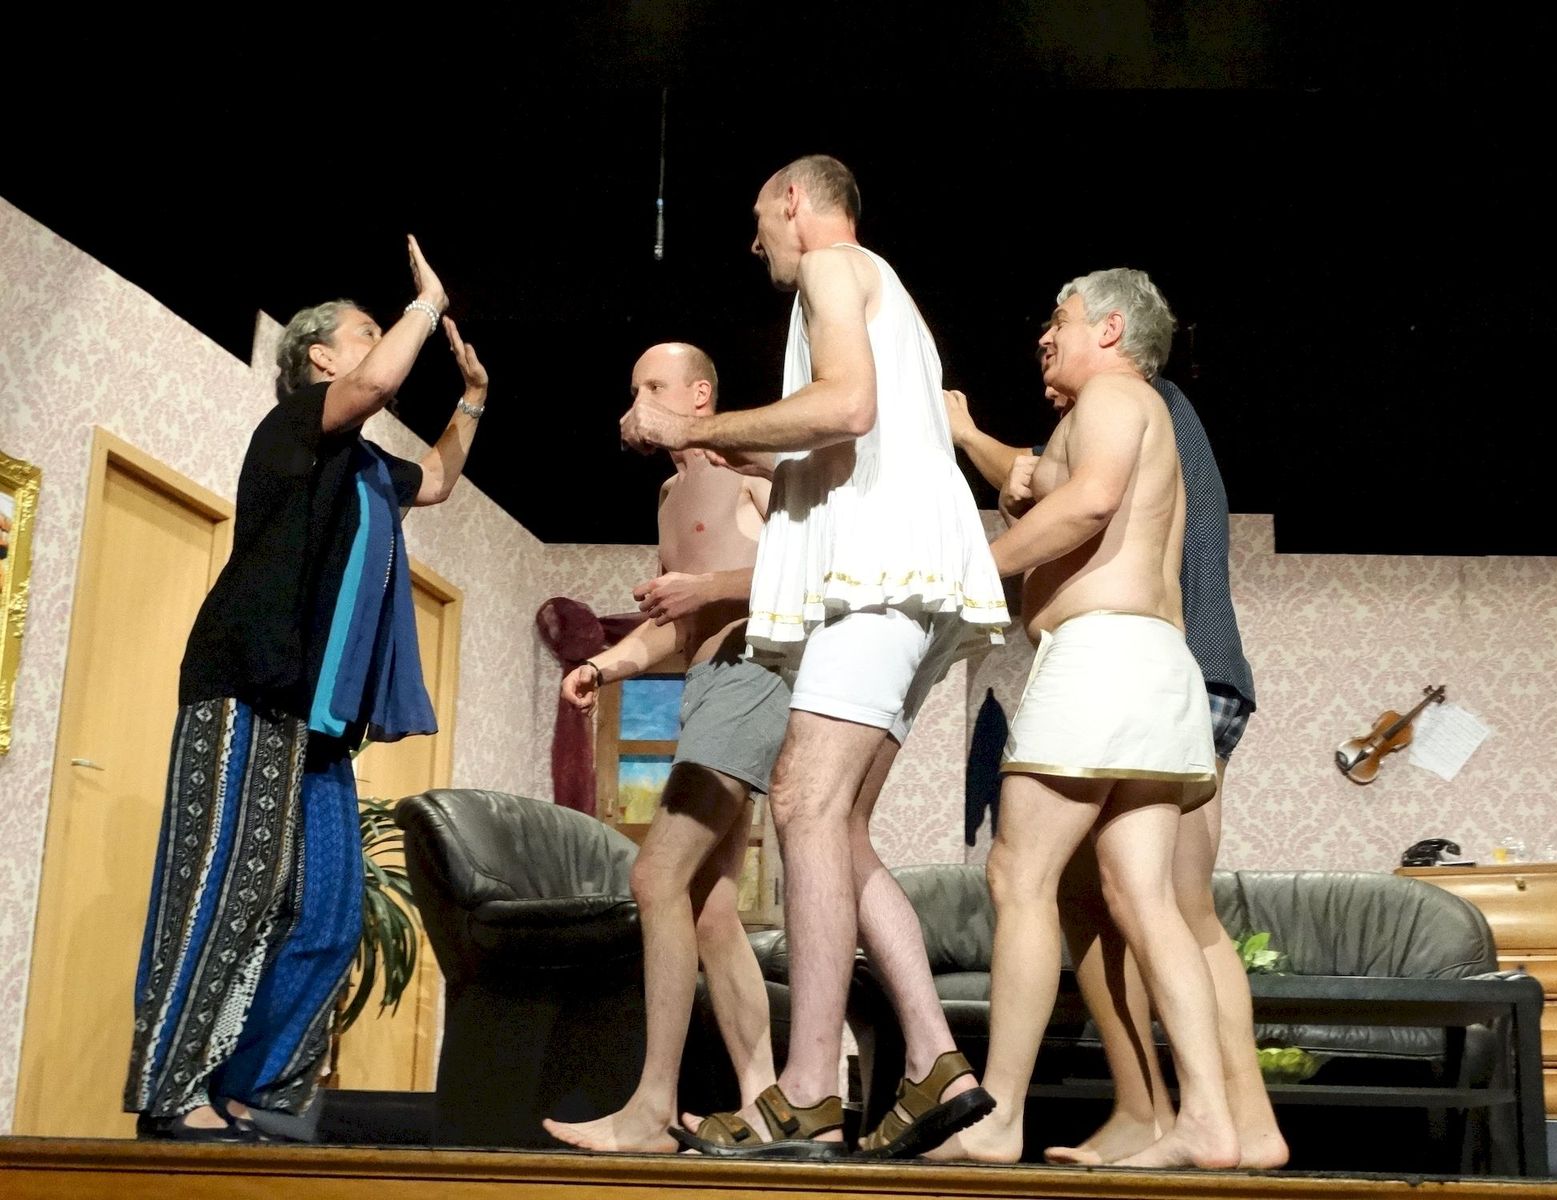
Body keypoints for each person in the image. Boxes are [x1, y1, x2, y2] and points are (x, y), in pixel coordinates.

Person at [620, 155, 1008, 1160]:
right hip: (914, 576)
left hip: (876, 575)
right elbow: (839, 444)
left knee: (799, 801)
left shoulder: (836, 268)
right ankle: (934, 1059)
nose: (755, 241)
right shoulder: (886, 297)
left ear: (795, 202)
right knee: (839, 828)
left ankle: (805, 1092)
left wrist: (694, 423)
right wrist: (731, 447)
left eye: (759, 216)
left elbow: (845, 408)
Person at [125, 237, 486, 1140]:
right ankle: (173, 1093)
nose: (381, 341)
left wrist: (473, 398)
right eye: (366, 331)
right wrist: (425, 304)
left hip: (319, 724)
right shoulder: (292, 427)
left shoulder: (365, 467)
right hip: (247, 689)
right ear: (321, 358)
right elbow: (374, 385)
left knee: (326, 913)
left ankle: (253, 1089)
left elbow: (440, 480)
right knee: (222, 892)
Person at [936, 268, 1239, 1170]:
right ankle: (1207, 1119)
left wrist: (974, 570)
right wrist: (978, 445)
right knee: (1144, 898)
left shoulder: (1112, 395)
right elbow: (1043, 480)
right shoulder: (1130, 410)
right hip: (1154, 663)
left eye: (1059, 319)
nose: (1044, 336)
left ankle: (999, 1116)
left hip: (1101, 657)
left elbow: (1089, 499)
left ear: (1109, 329)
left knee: (1018, 875)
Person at [542, 342, 782, 1153]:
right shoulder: (672, 494)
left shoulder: (752, 466)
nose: (637, 402)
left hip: (755, 672)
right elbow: (676, 625)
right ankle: (765, 1105)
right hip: (707, 682)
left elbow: (815, 575)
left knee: (656, 875)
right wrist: (603, 665)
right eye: (633, 387)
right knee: (711, 909)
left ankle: (651, 1109)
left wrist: (707, 587)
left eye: (654, 386)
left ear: (699, 394)